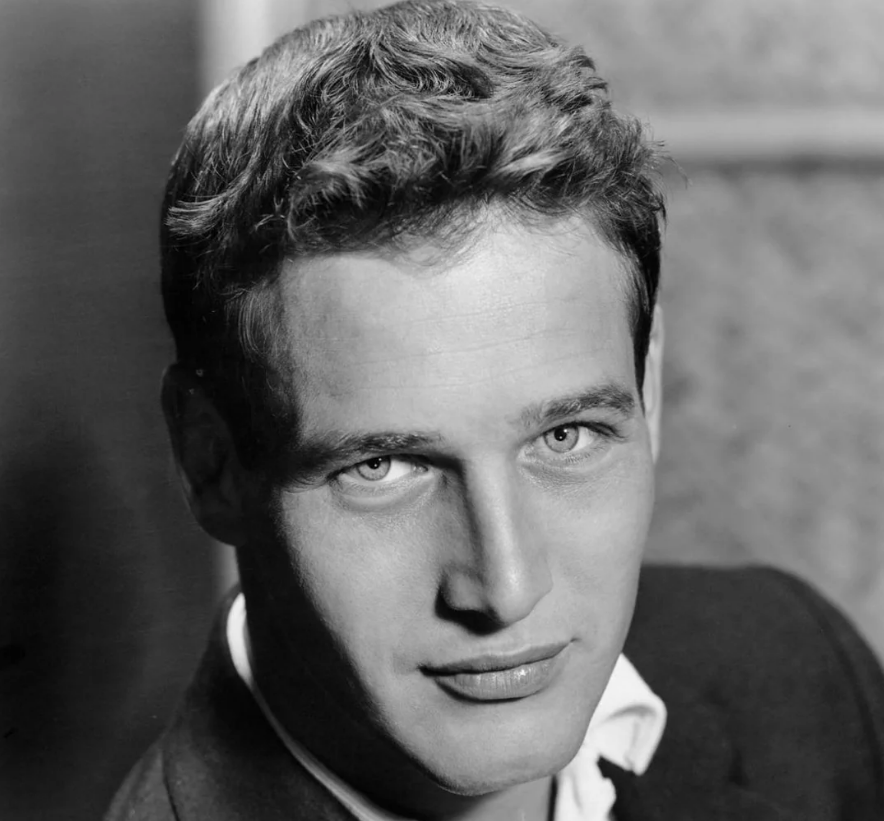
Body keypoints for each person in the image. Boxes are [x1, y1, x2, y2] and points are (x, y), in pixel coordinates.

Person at [105, 1, 884, 819]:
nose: (505, 588)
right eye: (384, 465)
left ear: (647, 391)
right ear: (210, 460)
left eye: (565, 435)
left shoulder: (798, 668)